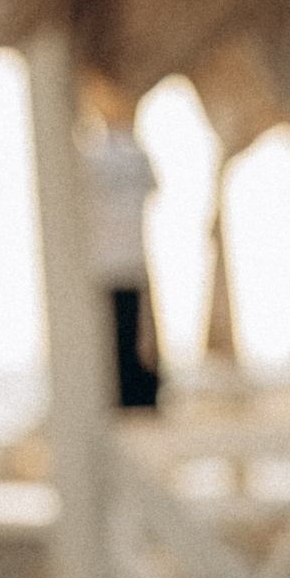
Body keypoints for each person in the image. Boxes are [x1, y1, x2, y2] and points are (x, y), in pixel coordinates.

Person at [82, 114, 161, 411]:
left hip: (108, 262)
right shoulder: (130, 156)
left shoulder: (93, 157)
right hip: (125, 261)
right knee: (132, 336)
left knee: (120, 338)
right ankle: (137, 397)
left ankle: (129, 397)